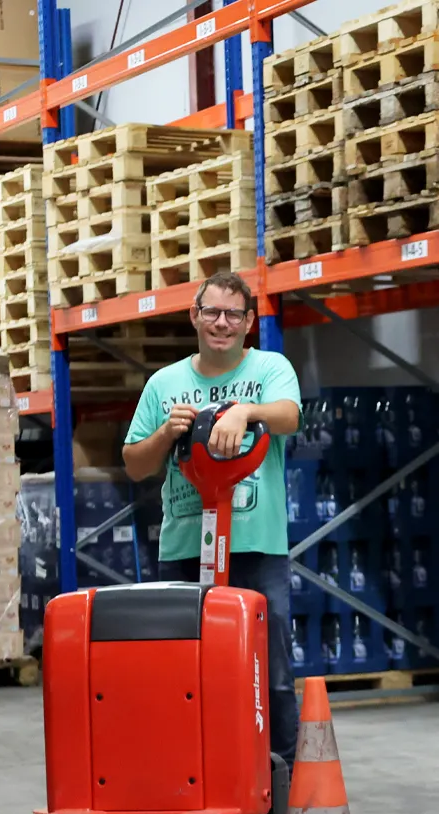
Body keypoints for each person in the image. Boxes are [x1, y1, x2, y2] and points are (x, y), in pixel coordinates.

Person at [122, 270, 304, 775]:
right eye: (211, 313)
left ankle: (281, 778)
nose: (220, 323)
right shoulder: (165, 383)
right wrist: (166, 434)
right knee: (183, 666)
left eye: (232, 315)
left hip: (257, 546)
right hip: (185, 549)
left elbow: (289, 416)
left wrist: (244, 411)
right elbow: (135, 464)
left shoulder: (270, 368)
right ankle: (190, 772)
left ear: (249, 322)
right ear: (194, 317)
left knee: (270, 669)